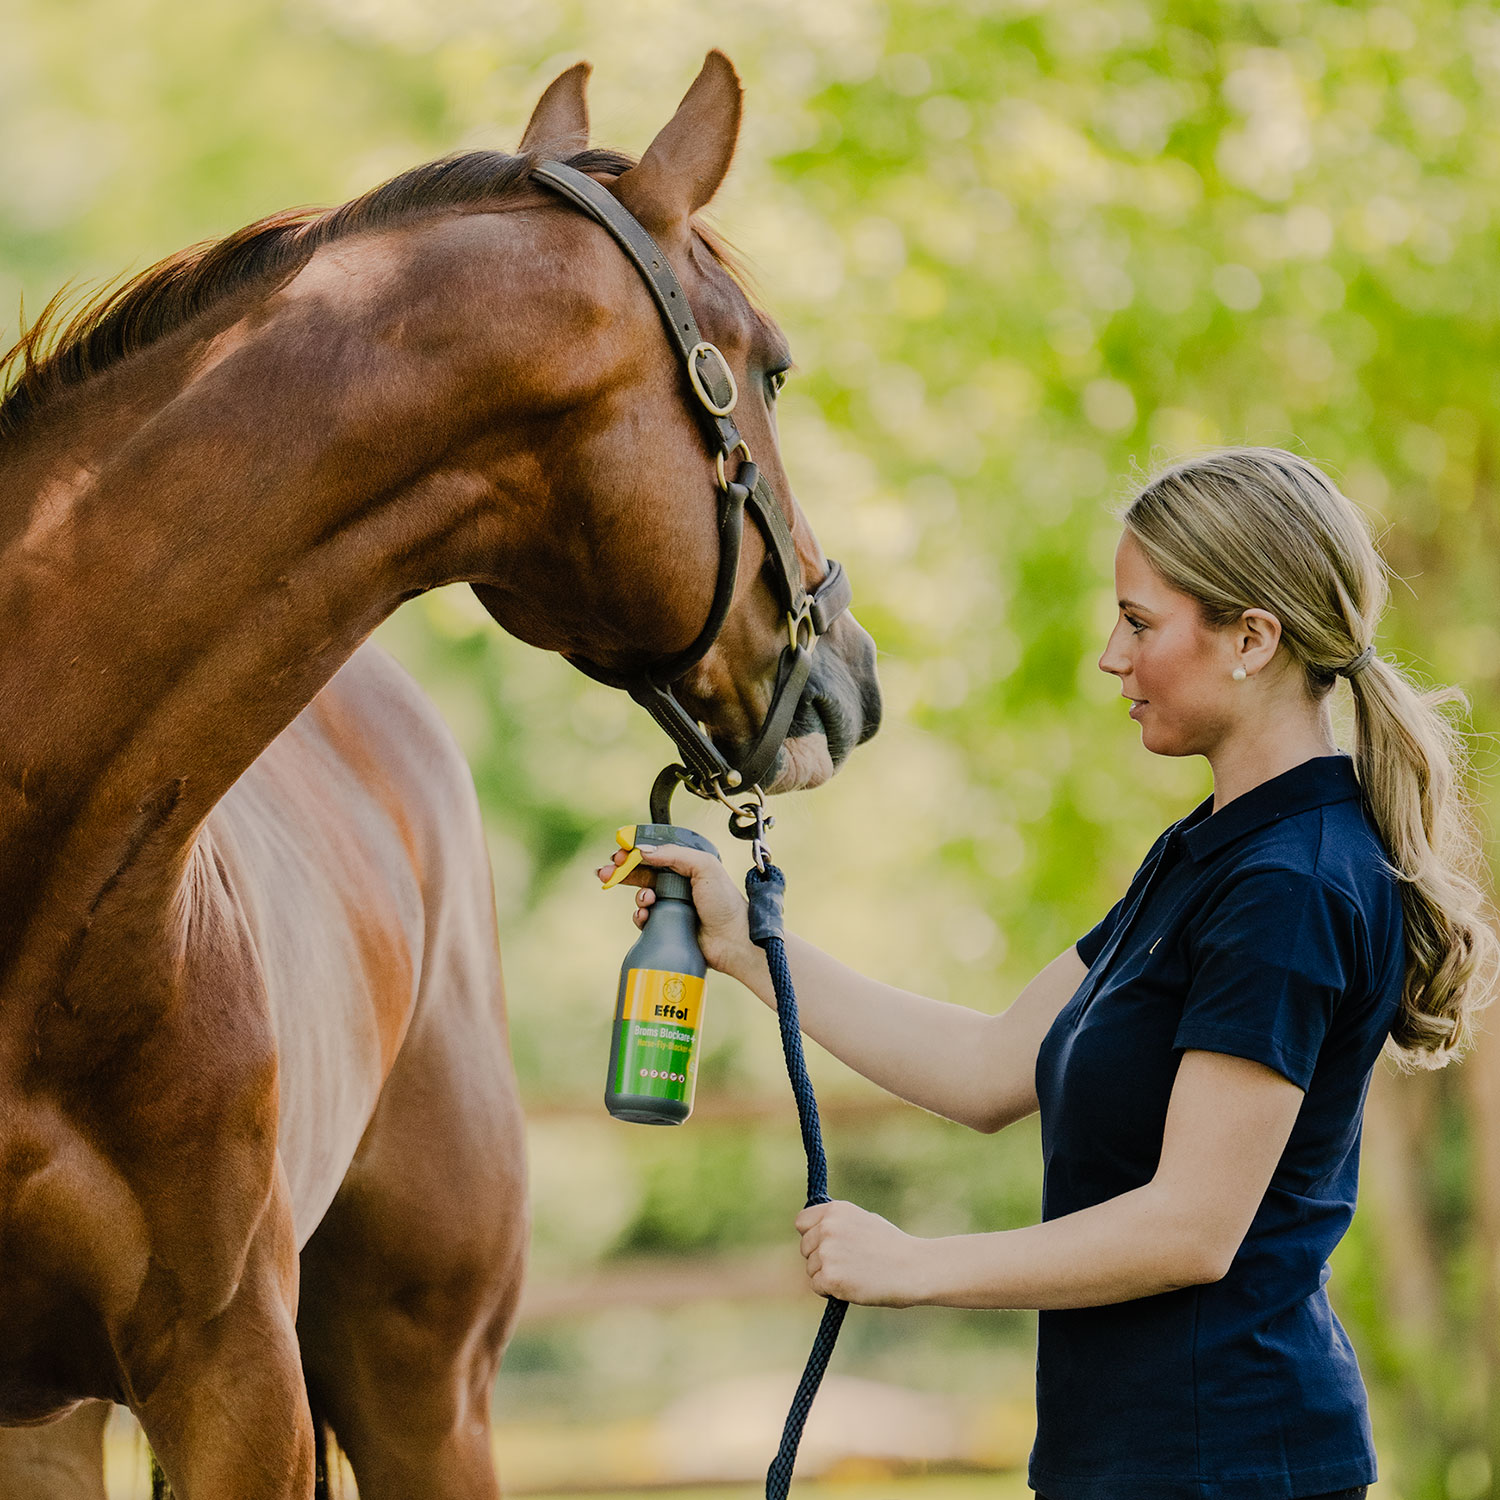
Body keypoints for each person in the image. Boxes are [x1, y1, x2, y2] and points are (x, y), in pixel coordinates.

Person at [598, 447, 1497, 1500]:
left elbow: (1192, 1227)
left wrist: (919, 1266)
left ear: (1253, 639)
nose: (1112, 657)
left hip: (1231, 1467)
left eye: (1141, 623)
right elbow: (990, 1067)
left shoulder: (1292, 884)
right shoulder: (1210, 851)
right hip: (1121, 1464)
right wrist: (749, 949)